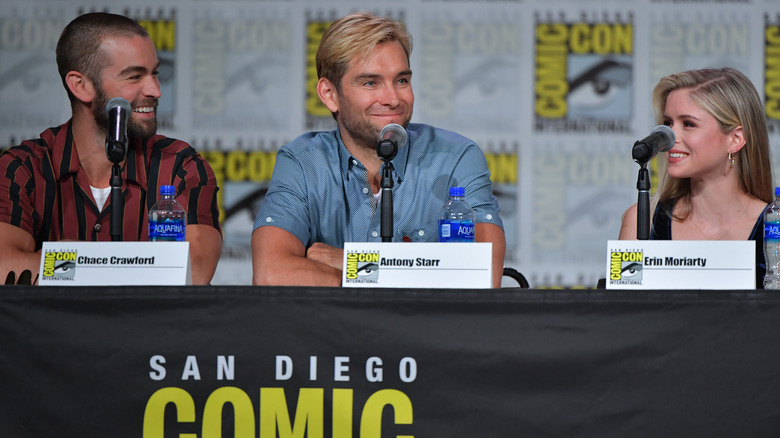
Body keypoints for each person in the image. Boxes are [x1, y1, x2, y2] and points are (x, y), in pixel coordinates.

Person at [251, 11, 506, 287]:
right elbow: (271, 273)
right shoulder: (302, 163)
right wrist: (409, 272)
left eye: (401, 81)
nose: (393, 98)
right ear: (330, 94)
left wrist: (354, 263)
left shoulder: (456, 159)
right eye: (371, 83)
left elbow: (484, 274)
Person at [0, 12, 222, 285]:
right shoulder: (23, 169)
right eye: (134, 77)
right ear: (81, 86)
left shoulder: (180, 167)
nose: (155, 90)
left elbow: (194, 271)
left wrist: (71, 261)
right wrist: (90, 261)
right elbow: (4, 267)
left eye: (154, 73)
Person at [618, 67, 773, 287]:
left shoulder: (775, 227)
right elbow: (622, 314)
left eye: (688, 124)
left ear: (735, 139)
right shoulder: (641, 220)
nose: (670, 138)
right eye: (668, 123)